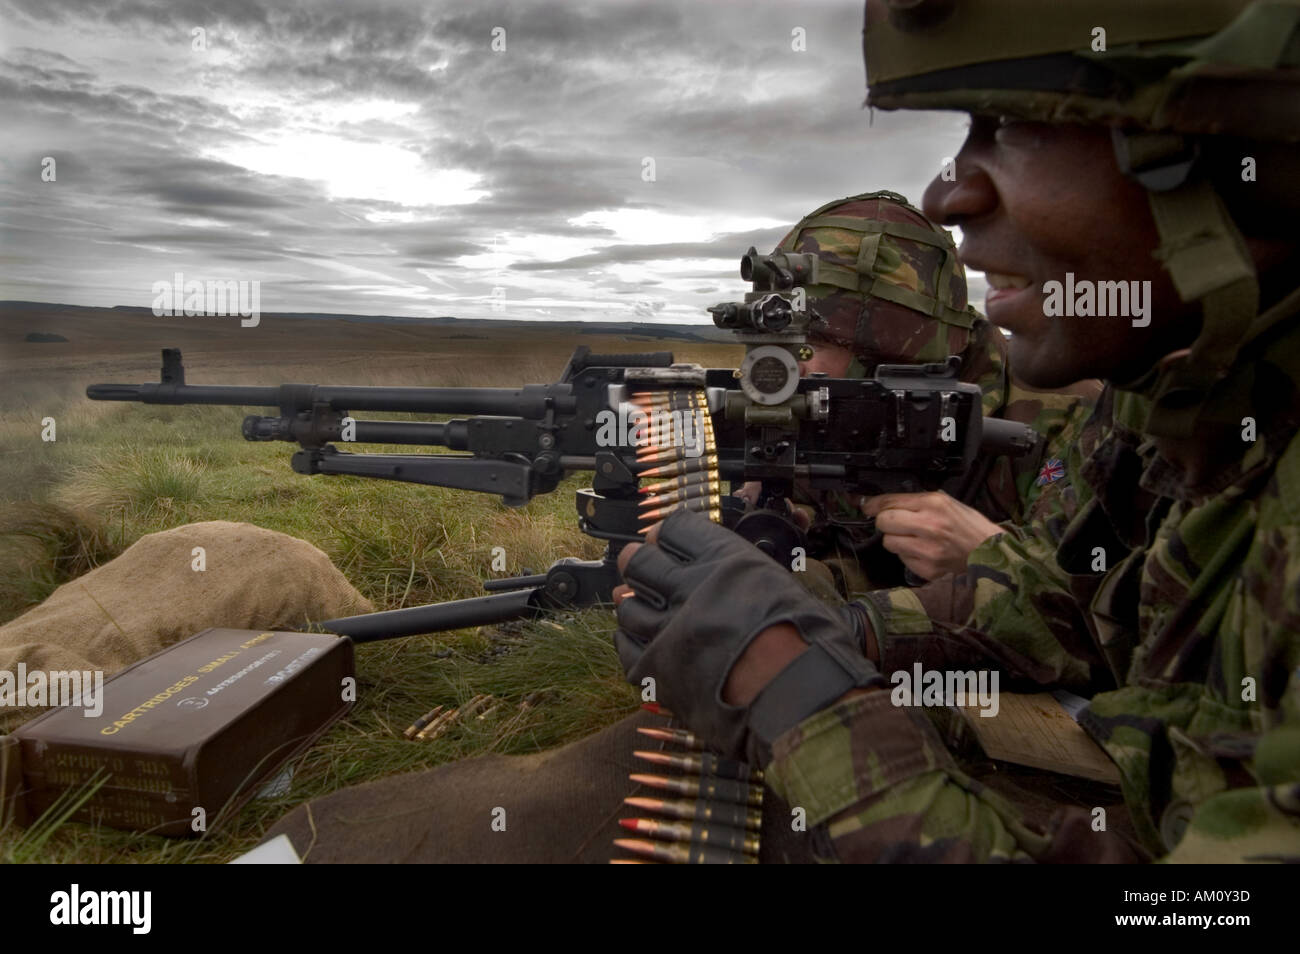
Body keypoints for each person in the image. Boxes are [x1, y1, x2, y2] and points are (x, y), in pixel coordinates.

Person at [610, 0, 1300, 862]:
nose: (950, 190)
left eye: (1019, 124)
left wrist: (799, 697)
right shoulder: (1167, 405)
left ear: (1236, 153)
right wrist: (836, 627)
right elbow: (1061, 602)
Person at [735, 190, 1100, 596]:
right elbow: (856, 565)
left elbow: (1093, 612)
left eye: (808, 344)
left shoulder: (1067, 413)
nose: (787, 368)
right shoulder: (819, 401)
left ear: (890, 349)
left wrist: (984, 555)